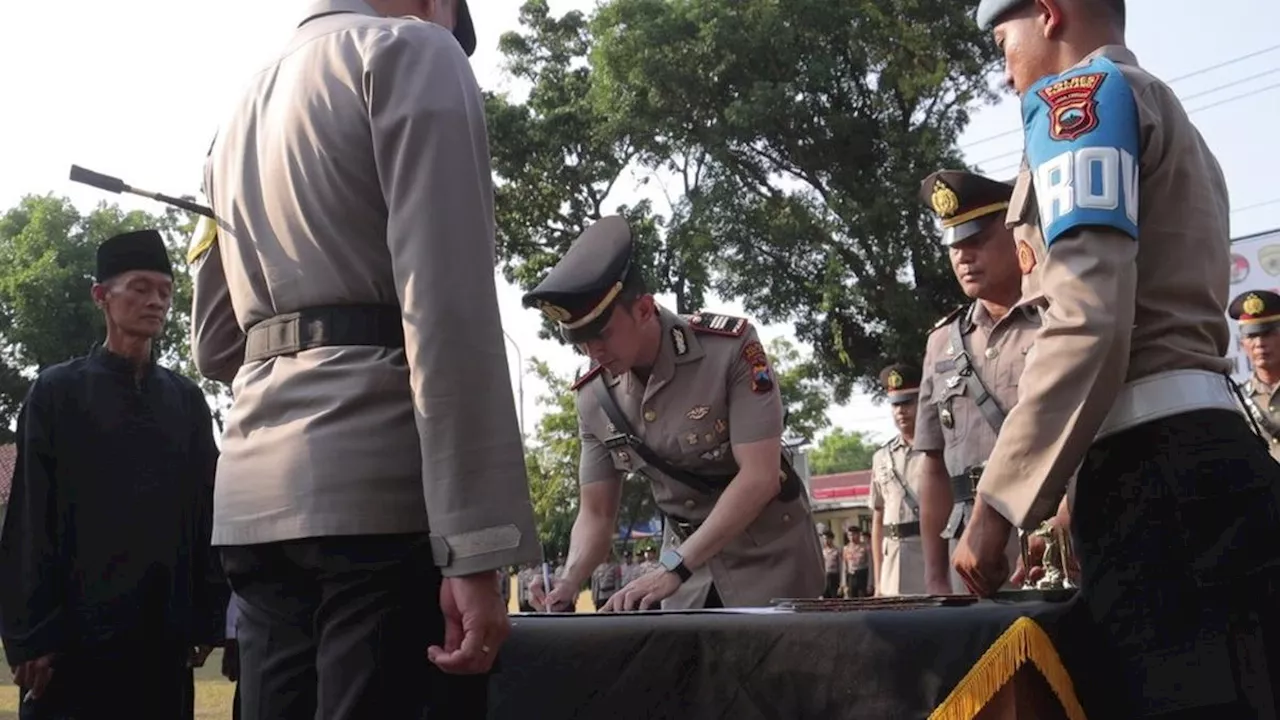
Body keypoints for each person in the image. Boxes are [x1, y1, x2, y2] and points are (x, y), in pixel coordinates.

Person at [192, 1, 540, 718]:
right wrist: (474, 544)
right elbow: (447, 310)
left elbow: (215, 343)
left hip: (255, 501)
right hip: (377, 496)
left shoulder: (234, 117)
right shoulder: (415, 52)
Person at [965, 1, 1280, 716]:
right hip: (1211, 460)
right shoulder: (1167, 111)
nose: (1003, 62)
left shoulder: (1077, 100)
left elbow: (1088, 318)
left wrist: (1000, 502)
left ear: (1047, 13)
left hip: (1155, 484)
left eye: (1001, 37)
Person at [523, 216, 824, 612]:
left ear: (645, 309)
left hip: (771, 560)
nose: (592, 352)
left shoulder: (729, 351)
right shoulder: (594, 398)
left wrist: (673, 568)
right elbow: (596, 512)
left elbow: (760, 476)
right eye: (580, 342)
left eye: (603, 334)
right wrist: (569, 578)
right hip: (682, 578)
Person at [0, 229, 226, 720]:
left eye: (165, 291)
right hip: (71, 646)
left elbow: (205, 509)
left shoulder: (185, 402)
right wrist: (30, 636)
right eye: (140, 288)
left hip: (160, 642)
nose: (156, 301)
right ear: (102, 296)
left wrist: (208, 616)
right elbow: (30, 513)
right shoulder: (57, 394)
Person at [911, 170, 1041, 595]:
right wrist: (933, 575)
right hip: (968, 550)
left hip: (1049, 532)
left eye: (976, 240)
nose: (963, 257)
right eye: (954, 245)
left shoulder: (1057, 323)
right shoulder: (941, 344)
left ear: (1016, 234)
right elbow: (931, 462)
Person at [869, 363, 926, 596]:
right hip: (892, 557)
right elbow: (878, 517)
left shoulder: (939, 451)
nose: (901, 411)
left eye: (907, 402)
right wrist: (879, 580)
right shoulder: (881, 457)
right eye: (895, 404)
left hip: (928, 552)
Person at [1228, 289, 1280, 462]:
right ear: (1242, 344)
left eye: (1267, 334)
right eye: (1252, 336)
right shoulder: (1236, 401)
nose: (1259, 344)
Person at [820, 531, 841, 598]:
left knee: (834, 597)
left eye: (827, 538)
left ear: (831, 539)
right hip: (825, 576)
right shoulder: (822, 551)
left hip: (834, 576)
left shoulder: (837, 550)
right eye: (824, 539)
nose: (825, 541)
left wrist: (842, 582)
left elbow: (841, 566)